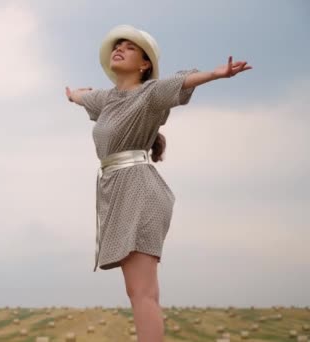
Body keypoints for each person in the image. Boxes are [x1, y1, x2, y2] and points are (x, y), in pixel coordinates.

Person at [65, 24, 252, 341]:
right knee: (135, 290)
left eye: (129, 47)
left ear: (144, 64)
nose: (119, 48)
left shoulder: (150, 93)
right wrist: (74, 95)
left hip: (138, 189)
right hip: (116, 189)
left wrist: (217, 74)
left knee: (143, 292)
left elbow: (180, 82)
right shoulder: (107, 99)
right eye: (116, 45)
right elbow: (85, 97)